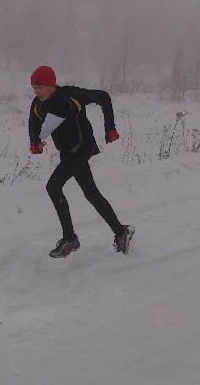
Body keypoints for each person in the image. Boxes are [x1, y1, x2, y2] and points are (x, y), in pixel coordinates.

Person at [27, 65, 134, 258]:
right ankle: (121, 231)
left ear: (51, 85)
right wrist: (35, 142)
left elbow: (104, 97)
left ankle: (70, 238)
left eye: (40, 87)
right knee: (91, 193)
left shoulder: (72, 95)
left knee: (53, 187)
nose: (36, 91)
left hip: (83, 148)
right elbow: (33, 124)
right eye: (34, 87)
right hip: (67, 152)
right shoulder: (38, 104)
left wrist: (110, 127)